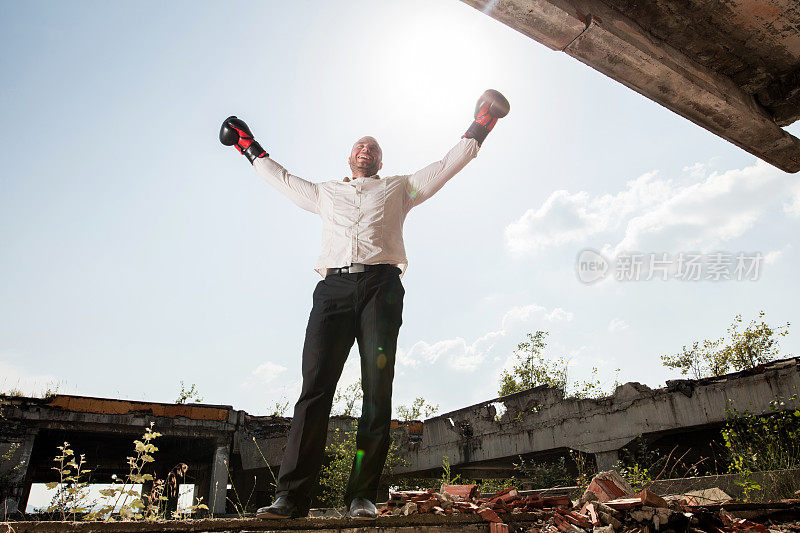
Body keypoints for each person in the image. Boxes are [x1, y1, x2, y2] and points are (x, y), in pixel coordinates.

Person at [219, 90, 509, 520]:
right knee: (314, 392)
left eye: (373, 146)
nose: (366, 148)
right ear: (349, 157)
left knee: (377, 391)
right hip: (332, 292)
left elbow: (446, 166)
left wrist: (482, 123)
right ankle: (292, 498)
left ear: (379, 160)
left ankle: (361, 495)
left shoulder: (400, 188)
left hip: (381, 288)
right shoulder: (325, 193)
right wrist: (246, 143)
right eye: (359, 144)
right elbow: (280, 177)